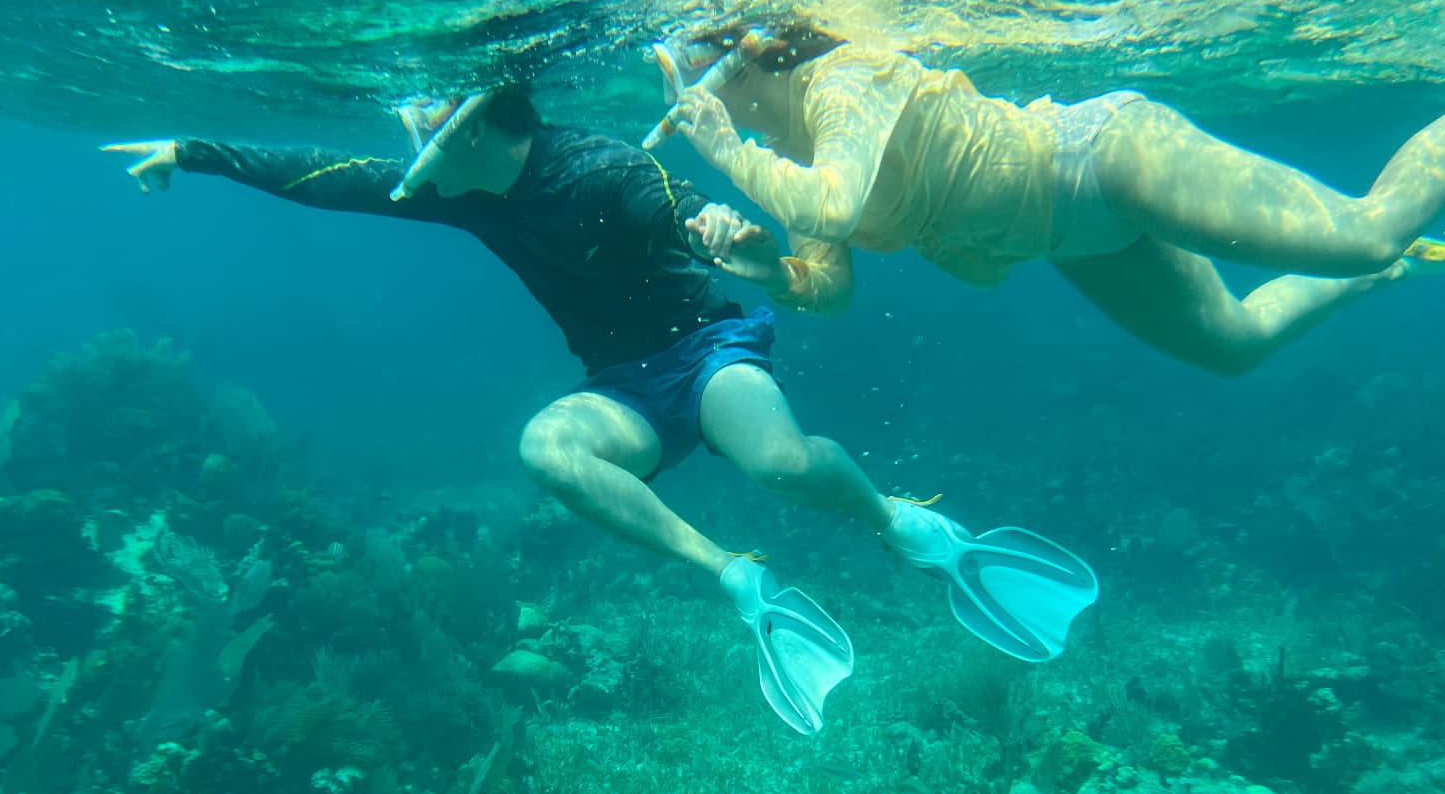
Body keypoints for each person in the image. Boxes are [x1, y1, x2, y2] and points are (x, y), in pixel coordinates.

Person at [100, 86, 1099, 735]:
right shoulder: (461, 188)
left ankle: (905, 526)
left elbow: (686, 218)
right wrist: (191, 149)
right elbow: (333, 181)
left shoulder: (601, 170)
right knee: (547, 447)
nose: (408, 135)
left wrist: (732, 241)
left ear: (479, 125)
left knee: (780, 465)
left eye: (426, 118)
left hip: (708, 351)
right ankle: (739, 580)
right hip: (623, 386)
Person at [650, 22, 1445, 376]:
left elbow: (835, 202)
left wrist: (724, 149)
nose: (683, 96)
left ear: (745, 55)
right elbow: (828, 281)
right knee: (1231, 345)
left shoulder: (841, 80)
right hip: (1071, 238)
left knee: (1366, 229)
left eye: (688, 72)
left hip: (1103, 160)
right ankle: (1392, 273)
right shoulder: (781, 154)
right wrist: (764, 270)